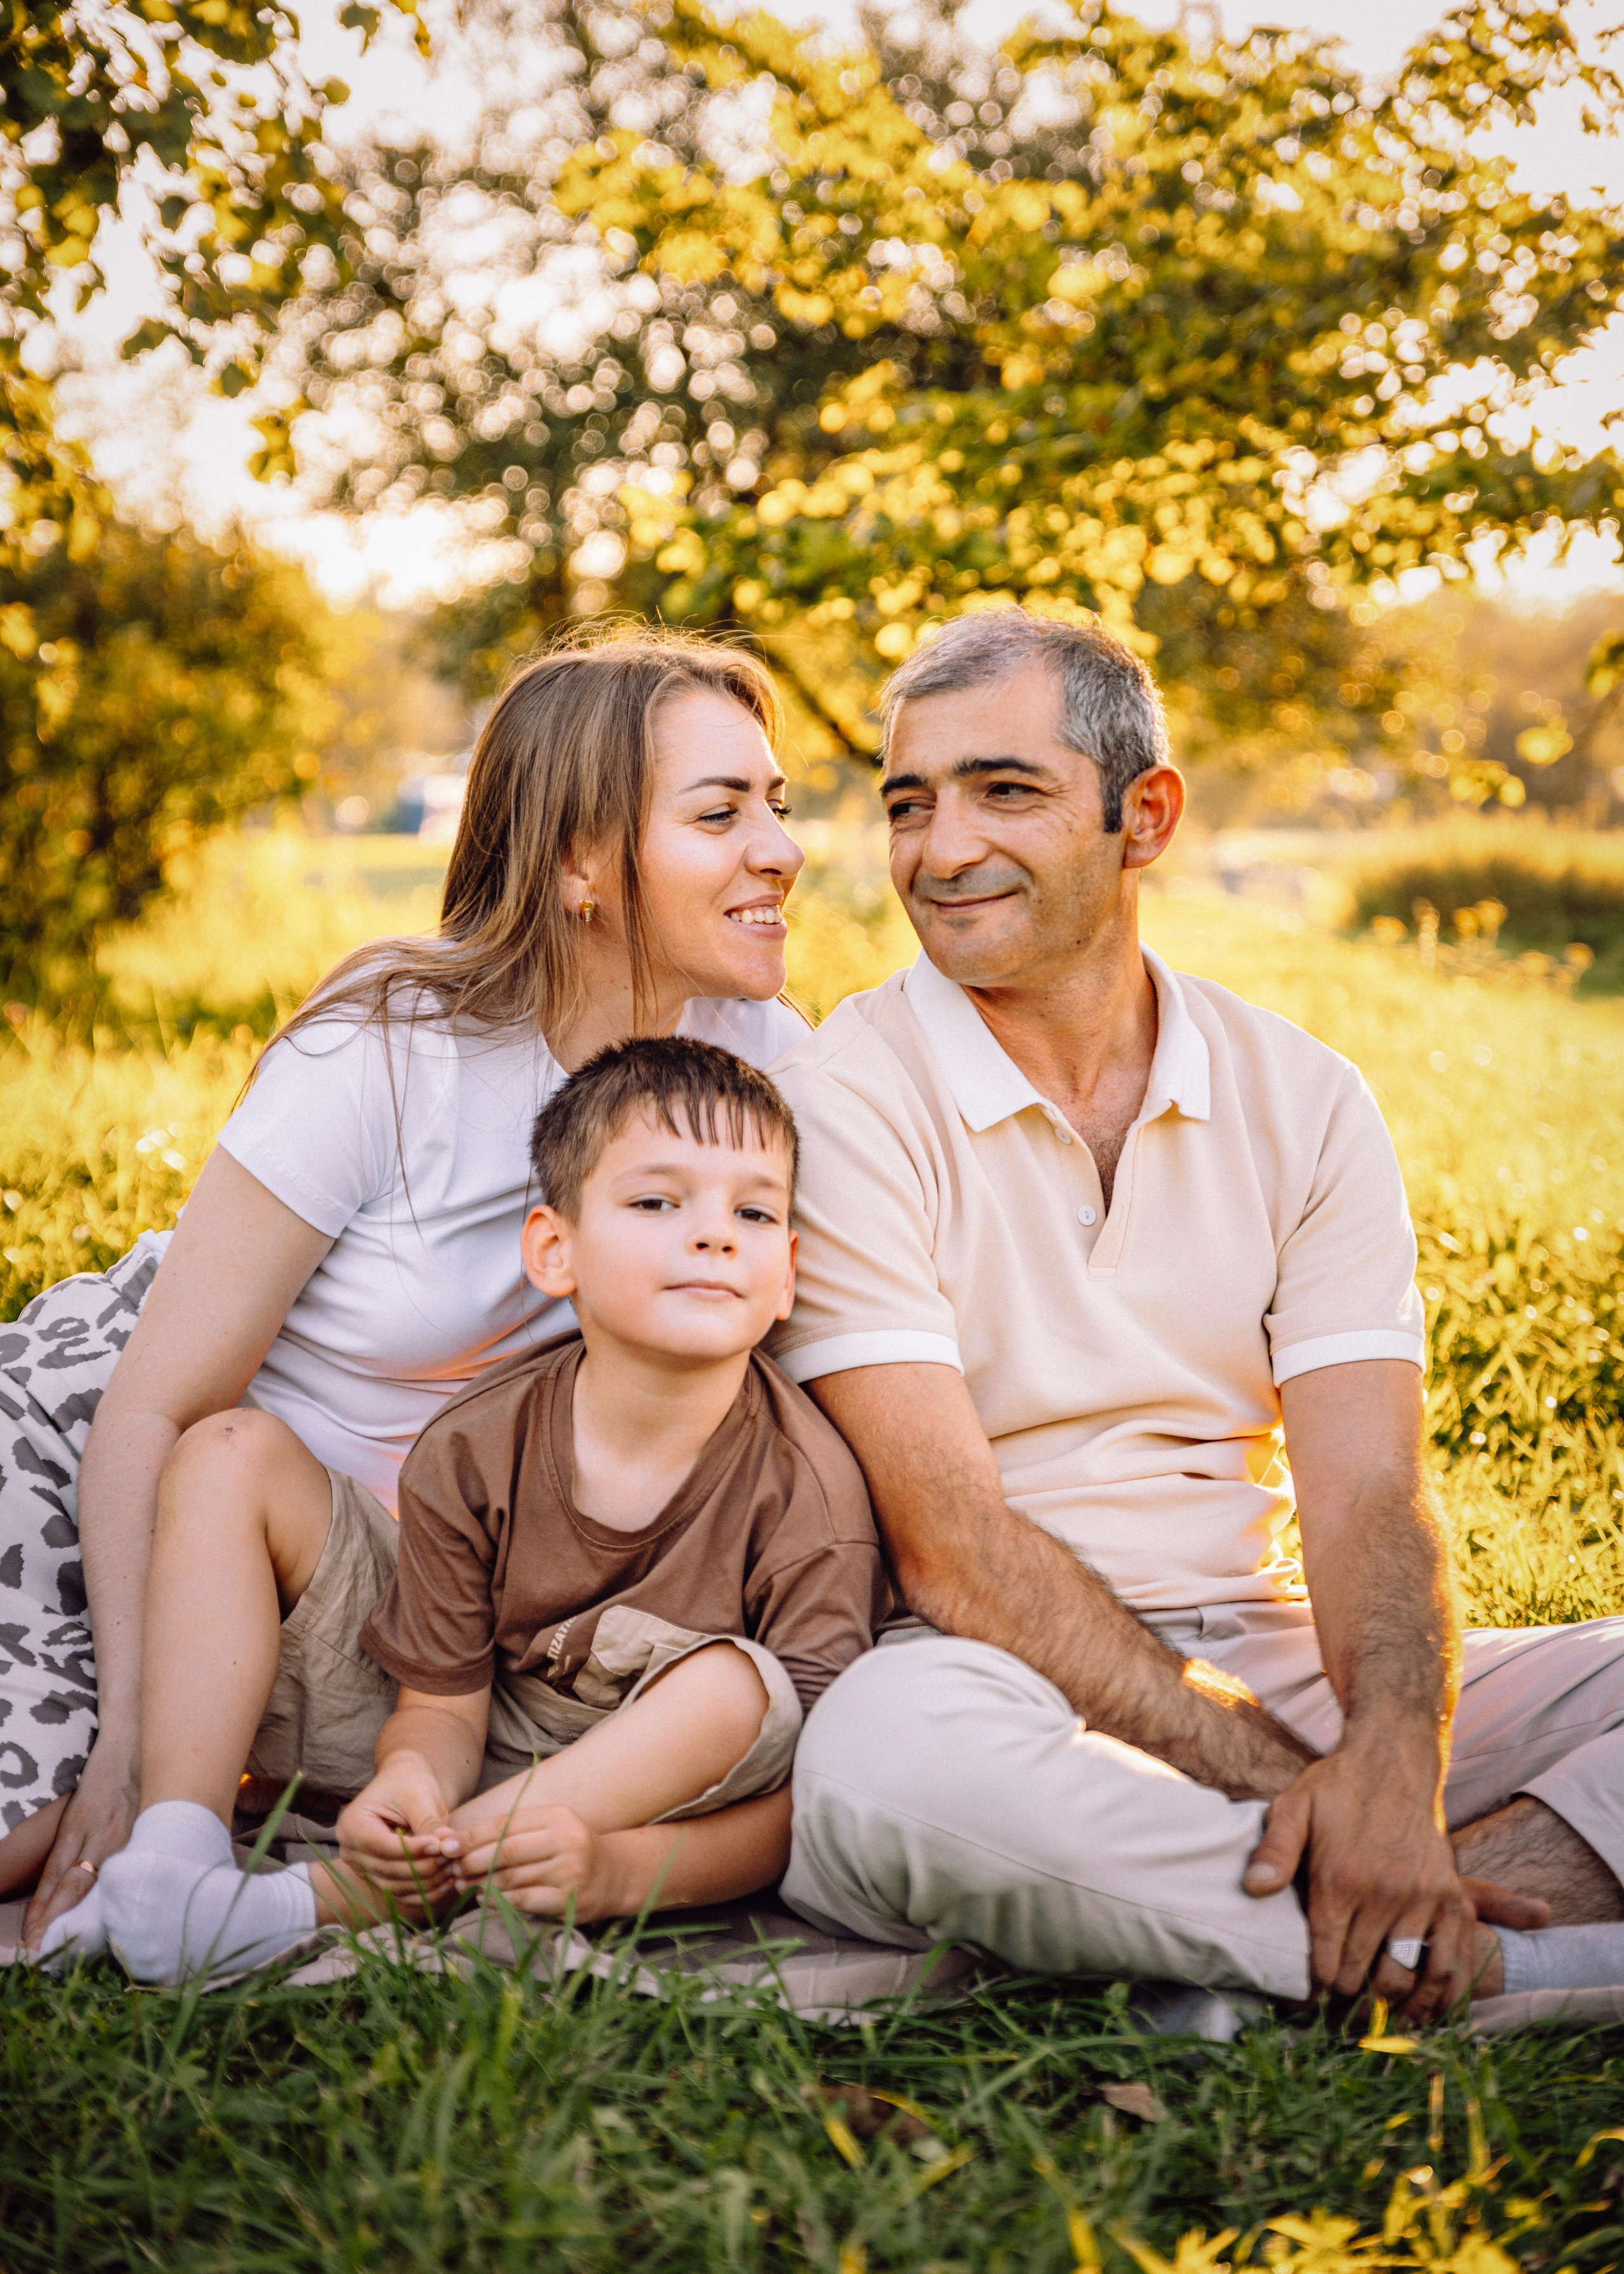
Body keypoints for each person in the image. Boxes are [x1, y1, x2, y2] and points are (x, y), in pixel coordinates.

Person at [767, 607, 1624, 2021]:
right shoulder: (841, 1097)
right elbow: (954, 1549)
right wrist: (1306, 1794)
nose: (937, 849)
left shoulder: (1303, 1094)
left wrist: (1390, 1769)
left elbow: (1364, 1493)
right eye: (906, 804)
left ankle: (1286, 1941)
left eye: (1005, 790)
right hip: (995, 1674)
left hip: (1272, 1646)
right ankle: (1487, 1955)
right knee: (881, 1763)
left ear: (1142, 816)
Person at [3, 626, 811, 1952]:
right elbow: (155, 1410)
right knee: (42, 1833)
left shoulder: (752, 1050)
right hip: (114, 1449)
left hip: (363, 1563)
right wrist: (128, 1757)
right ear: (577, 861)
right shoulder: (387, 1048)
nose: (778, 848)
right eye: (720, 812)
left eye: (773, 806)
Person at [65, 1038, 885, 1985]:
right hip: (479, 1735)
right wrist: (410, 1777)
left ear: (787, 1272)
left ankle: (321, 1903)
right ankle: (174, 1860)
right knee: (225, 1453)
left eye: (752, 1210)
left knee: (741, 1687)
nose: (713, 1235)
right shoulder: (477, 1443)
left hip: (645, 1794)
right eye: (657, 1202)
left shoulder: (808, 1493)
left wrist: (616, 1873)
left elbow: (806, 1803)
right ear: (554, 1249)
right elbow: (441, 1705)